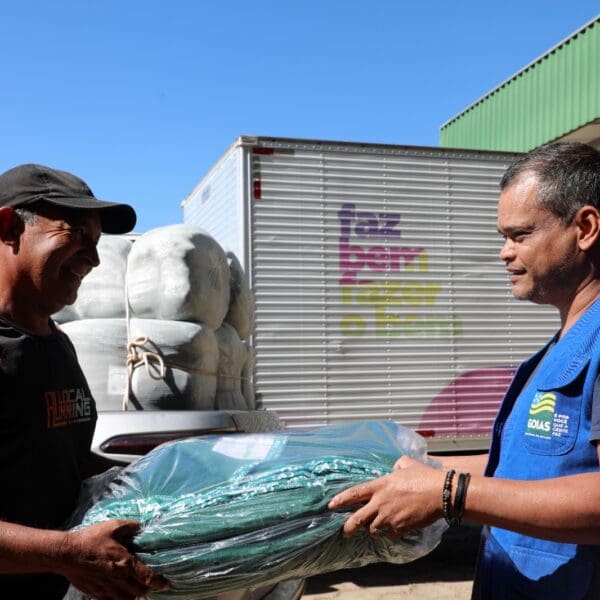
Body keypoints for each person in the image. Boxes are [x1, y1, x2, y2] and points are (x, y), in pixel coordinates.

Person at [328, 141, 600, 599]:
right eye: (503, 237)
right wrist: (411, 471)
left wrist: (450, 493)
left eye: (520, 235)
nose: (504, 253)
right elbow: (521, 468)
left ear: (586, 228)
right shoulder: (559, 347)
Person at [0, 163, 169, 599]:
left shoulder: (57, 343)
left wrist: (151, 477)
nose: (92, 259)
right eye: (75, 235)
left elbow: (58, 459)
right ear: (7, 228)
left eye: (95, 244)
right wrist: (67, 551)